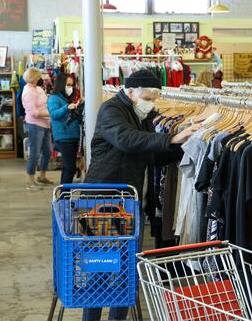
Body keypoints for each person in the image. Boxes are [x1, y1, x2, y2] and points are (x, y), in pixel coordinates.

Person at [82, 69, 200, 321]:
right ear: (131, 91)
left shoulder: (140, 115)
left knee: (126, 270)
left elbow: (151, 154)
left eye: (155, 98)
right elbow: (127, 140)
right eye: (148, 97)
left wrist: (184, 146)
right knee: (100, 267)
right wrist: (171, 137)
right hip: (102, 200)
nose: (152, 103)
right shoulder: (111, 110)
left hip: (128, 202)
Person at [47, 72, 82, 184]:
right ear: (61, 84)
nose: (70, 88)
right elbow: (54, 115)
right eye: (68, 85)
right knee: (70, 168)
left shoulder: (67, 98)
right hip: (63, 137)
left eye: (71, 85)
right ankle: (64, 196)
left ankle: (64, 196)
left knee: (68, 168)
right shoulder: (54, 98)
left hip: (72, 136)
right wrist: (66, 108)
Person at [22, 68, 53, 190]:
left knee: (47, 152)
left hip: (45, 124)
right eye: (37, 77)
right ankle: (31, 180)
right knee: (34, 153)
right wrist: (51, 113)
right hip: (35, 125)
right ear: (32, 77)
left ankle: (42, 176)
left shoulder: (38, 89)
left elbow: (45, 104)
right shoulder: (28, 92)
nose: (39, 79)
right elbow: (34, 112)